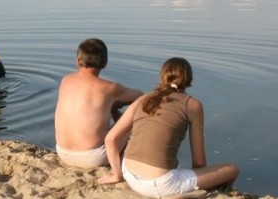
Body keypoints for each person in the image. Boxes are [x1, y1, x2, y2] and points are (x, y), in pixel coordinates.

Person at [99, 57, 239, 198]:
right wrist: (201, 178)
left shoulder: (143, 99)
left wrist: (117, 175)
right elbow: (199, 161)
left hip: (129, 174)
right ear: (188, 80)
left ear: (163, 76)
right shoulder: (193, 105)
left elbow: (111, 139)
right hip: (159, 185)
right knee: (232, 169)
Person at [54, 38, 143, 168]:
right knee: (139, 111)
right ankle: (127, 162)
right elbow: (140, 96)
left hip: (62, 152)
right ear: (105, 63)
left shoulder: (66, 80)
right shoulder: (111, 88)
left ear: (78, 61)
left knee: (108, 108)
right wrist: (116, 103)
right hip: (93, 158)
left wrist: (112, 105)